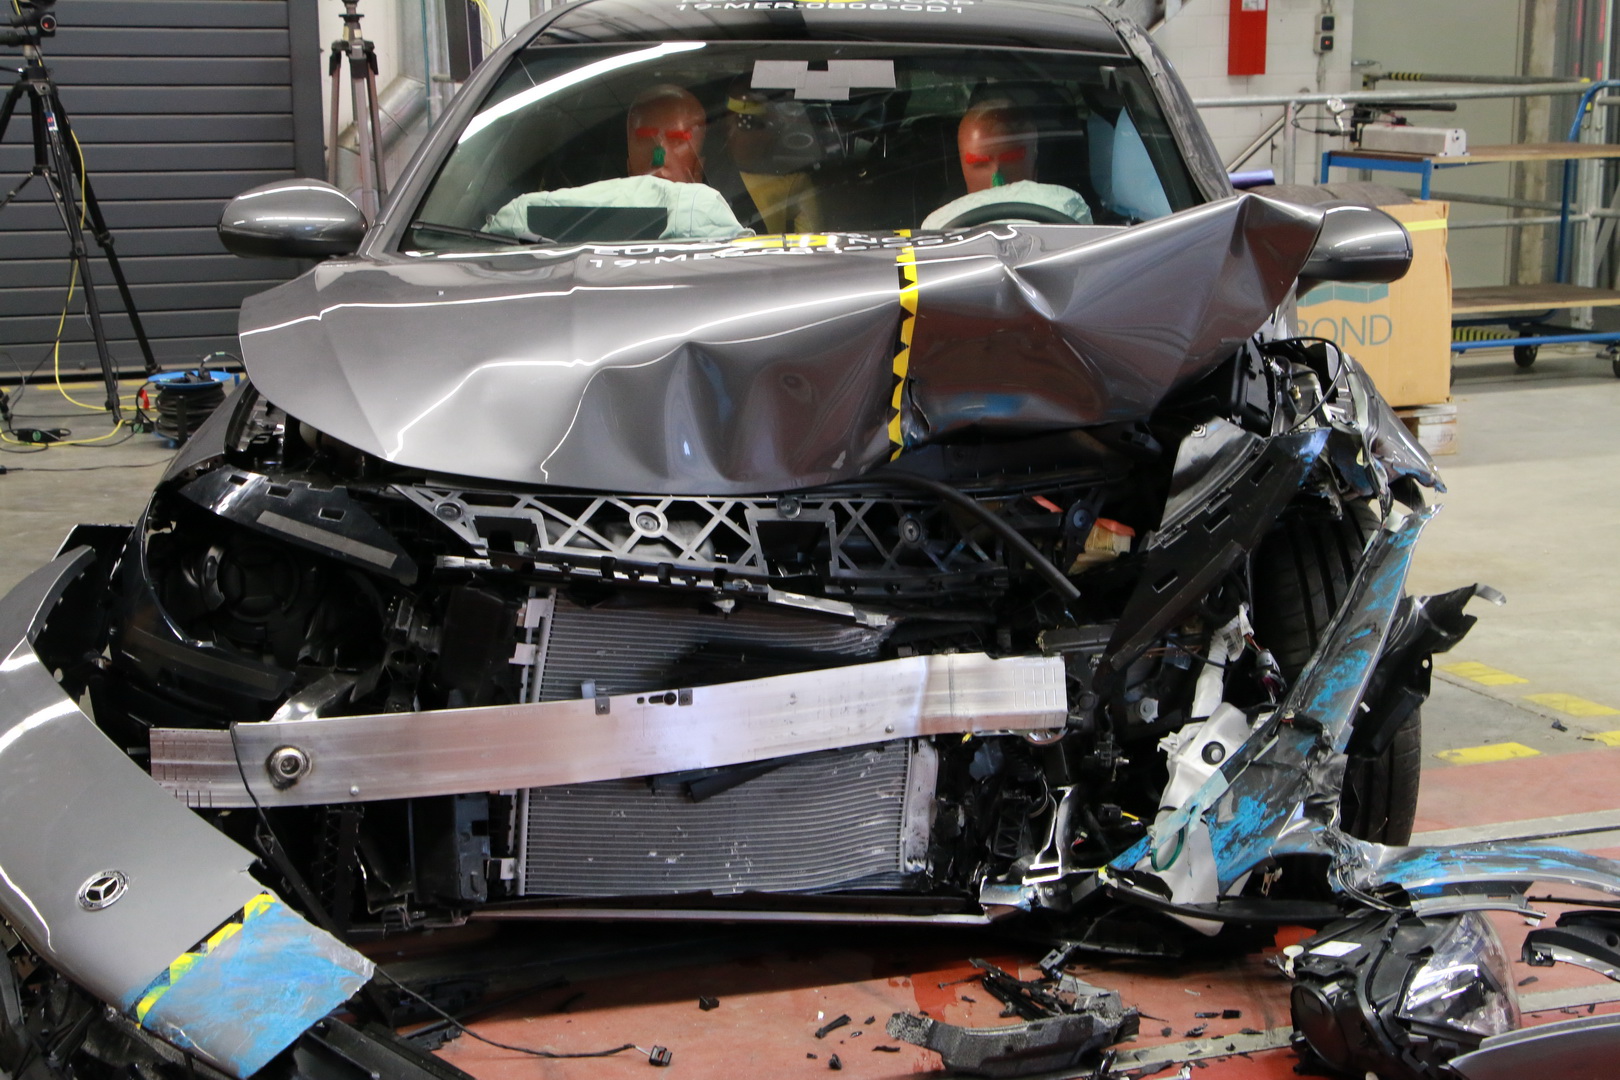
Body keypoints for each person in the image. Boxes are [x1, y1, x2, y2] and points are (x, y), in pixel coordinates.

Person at [486, 84, 748, 242]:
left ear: (699, 166)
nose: (660, 154)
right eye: (645, 139)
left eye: (678, 140)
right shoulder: (538, 223)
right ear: (628, 161)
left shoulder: (726, 235)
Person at [921, 97, 1092, 230]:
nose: (997, 175)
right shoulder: (937, 227)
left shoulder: (1068, 207)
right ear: (962, 168)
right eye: (980, 164)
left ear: (1035, 158)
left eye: (1012, 159)